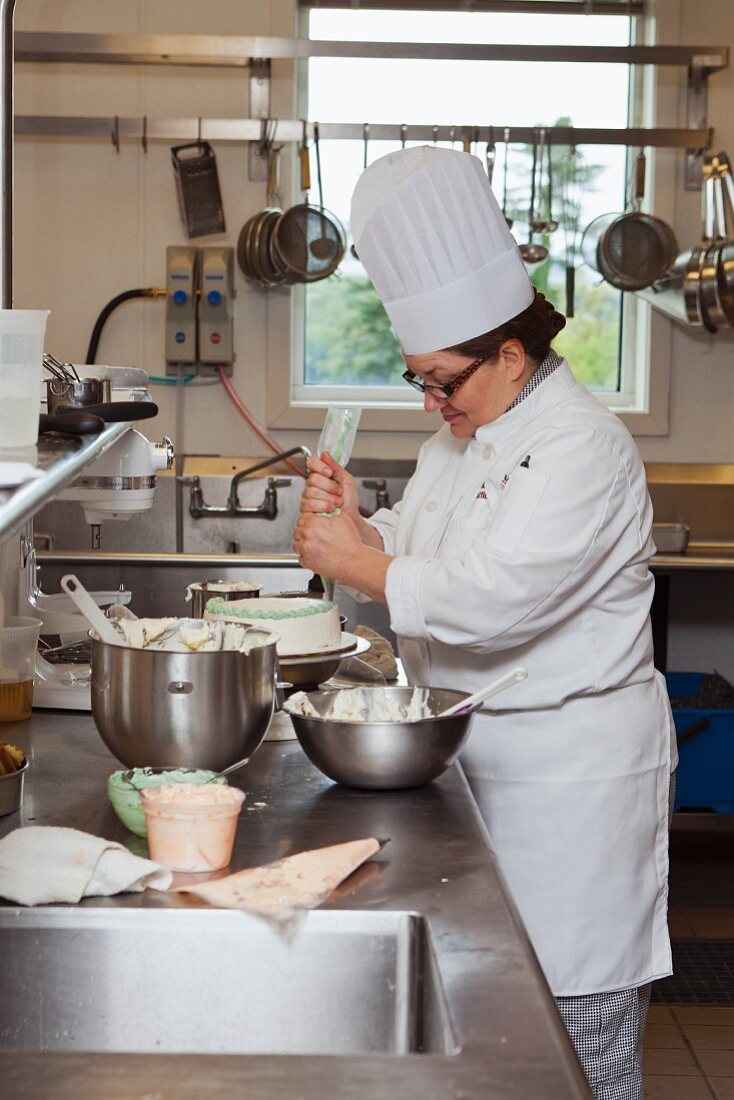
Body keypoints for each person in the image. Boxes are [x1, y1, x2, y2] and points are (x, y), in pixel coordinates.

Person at [294, 145, 676, 1100]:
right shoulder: (459, 436)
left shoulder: (584, 446)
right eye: (418, 380)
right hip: (471, 764)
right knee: (484, 1033)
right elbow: (431, 548)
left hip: (566, 785)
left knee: (579, 1038)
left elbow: (495, 600)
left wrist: (360, 563)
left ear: (511, 354)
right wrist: (360, 526)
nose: (433, 403)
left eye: (444, 381)